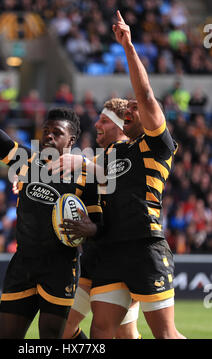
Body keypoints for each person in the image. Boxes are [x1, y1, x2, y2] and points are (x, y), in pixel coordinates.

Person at [0, 56, 102, 339]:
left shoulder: (85, 175)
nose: (50, 137)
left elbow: (97, 224)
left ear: (71, 140)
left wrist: (89, 228)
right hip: (23, 263)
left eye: (58, 133)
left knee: (51, 339)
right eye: (46, 132)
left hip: (61, 266)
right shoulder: (25, 162)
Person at [51, 11, 185, 339]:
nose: (131, 110)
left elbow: (147, 96)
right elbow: (92, 170)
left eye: (135, 109)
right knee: (101, 332)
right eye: (128, 110)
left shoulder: (158, 145)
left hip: (145, 246)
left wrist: (128, 48)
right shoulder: (113, 153)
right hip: (111, 251)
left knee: (165, 334)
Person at [62, 98, 141, 340]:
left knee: (123, 334)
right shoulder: (98, 160)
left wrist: (83, 161)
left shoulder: (130, 155)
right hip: (95, 255)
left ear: (121, 126)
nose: (97, 124)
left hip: (124, 257)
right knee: (63, 328)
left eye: (104, 120)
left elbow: (109, 174)